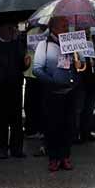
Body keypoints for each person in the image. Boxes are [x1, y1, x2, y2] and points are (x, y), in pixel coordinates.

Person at [31, 16, 81, 172]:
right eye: (63, 26)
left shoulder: (72, 44)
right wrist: (53, 82)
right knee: (53, 126)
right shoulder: (43, 45)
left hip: (70, 91)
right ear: (53, 28)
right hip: (52, 92)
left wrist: (81, 64)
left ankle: (65, 157)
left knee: (69, 125)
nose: (66, 29)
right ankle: (54, 158)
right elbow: (37, 69)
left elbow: (82, 63)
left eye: (67, 26)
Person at [0, 19, 28, 159]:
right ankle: (1, 148)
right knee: (0, 118)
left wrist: (25, 64)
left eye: (13, 28)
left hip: (15, 85)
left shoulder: (17, 44)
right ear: (1, 29)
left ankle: (17, 148)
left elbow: (21, 64)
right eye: (10, 28)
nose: (12, 31)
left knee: (16, 119)